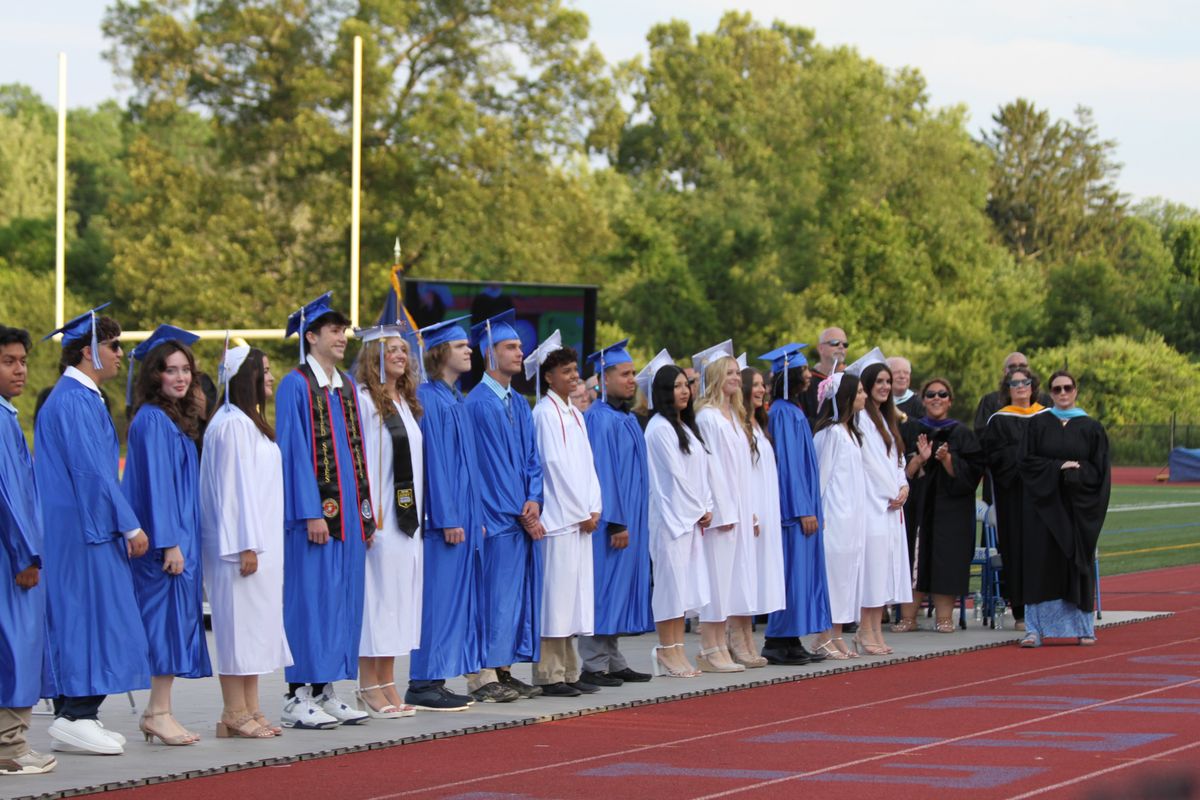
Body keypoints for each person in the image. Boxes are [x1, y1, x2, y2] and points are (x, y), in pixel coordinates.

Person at [36, 305, 151, 755]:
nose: (121, 353)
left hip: (85, 526)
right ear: (89, 352)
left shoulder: (80, 397)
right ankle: (75, 714)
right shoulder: (71, 400)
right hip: (85, 529)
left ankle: (81, 712)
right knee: (93, 620)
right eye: (113, 345)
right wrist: (129, 525)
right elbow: (92, 474)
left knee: (92, 618)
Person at [276, 293, 373, 728]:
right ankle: (297, 695)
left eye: (343, 330)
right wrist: (311, 510)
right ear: (310, 336)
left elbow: (357, 452)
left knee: (341, 600)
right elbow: (294, 453)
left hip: (349, 517)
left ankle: (326, 689)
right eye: (333, 330)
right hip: (315, 517)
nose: (341, 337)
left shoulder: (346, 386)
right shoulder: (295, 384)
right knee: (311, 601)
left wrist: (366, 512)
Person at [122, 326, 213, 745]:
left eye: (186, 370)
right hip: (167, 546)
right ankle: (157, 712)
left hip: (179, 540)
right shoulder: (154, 421)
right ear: (153, 375)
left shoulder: (169, 419)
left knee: (175, 624)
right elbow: (157, 486)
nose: (180, 378)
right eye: (170, 370)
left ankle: (161, 711)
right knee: (164, 625)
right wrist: (171, 542)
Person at [200, 345, 292, 739]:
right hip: (241, 547)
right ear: (246, 377)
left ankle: (251, 706)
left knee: (256, 627)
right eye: (264, 370)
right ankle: (232, 711)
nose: (270, 377)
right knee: (238, 627)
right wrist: (246, 544)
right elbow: (232, 491)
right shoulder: (231, 424)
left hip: (262, 543)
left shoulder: (249, 422)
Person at [405, 316, 485, 712]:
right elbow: (435, 463)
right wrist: (449, 516)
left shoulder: (454, 398)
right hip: (443, 524)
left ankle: (436, 677)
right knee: (436, 602)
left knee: (453, 601)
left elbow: (469, 465)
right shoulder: (429, 398)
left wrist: (475, 513)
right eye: (459, 346)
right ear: (439, 353)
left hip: (463, 518)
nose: (468, 350)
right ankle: (422, 682)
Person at [465, 311, 545, 702]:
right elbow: (491, 471)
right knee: (492, 599)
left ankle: (504, 669)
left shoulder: (520, 402)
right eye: (511, 347)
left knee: (513, 600)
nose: (520, 352)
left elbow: (533, 460)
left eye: (519, 346)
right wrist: (521, 511)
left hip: (518, 517)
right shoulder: (480, 404)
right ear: (489, 353)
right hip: (496, 520)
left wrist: (534, 499)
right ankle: (482, 676)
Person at [353, 325, 424, 718]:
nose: (401, 355)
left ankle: (389, 682)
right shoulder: (366, 401)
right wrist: (366, 514)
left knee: (398, 602)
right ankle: (369, 684)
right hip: (380, 519)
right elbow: (360, 463)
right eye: (392, 349)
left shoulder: (404, 403)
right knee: (377, 602)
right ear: (374, 356)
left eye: (403, 350)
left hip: (407, 520)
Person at [527, 334, 603, 697]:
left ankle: (571, 669)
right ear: (548, 376)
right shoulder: (543, 414)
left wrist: (594, 505)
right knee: (556, 597)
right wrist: (578, 511)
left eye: (575, 370)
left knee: (573, 596)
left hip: (579, 519)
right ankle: (549, 672)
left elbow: (587, 465)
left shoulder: (574, 412)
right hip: (559, 519)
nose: (574, 376)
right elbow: (553, 467)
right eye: (566, 371)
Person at [580, 340, 655, 687]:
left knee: (619, 588)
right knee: (604, 588)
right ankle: (594, 663)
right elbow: (603, 473)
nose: (631, 380)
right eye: (624, 374)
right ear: (603, 378)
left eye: (633, 374)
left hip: (630, 518)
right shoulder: (597, 419)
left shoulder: (623, 417)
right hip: (611, 523)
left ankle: (612, 658)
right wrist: (618, 520)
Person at [1017, 371, 1109, 648]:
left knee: (1076, 564)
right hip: (1043, 510)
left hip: (1076, 508)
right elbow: (1026, 463)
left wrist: (1077, 474)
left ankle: (1083, 628)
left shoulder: (1092, 428)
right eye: (1057, 389)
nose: (1063, 393)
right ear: (1050, 393)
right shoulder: (1037, 424)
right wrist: (1058, 467)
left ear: (1076, 390)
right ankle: (1034, 630)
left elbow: (1100, 471)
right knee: (1039, 564)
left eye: (1067, 388)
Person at [0, 324, 55, 775]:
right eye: (9, 362)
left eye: (23, 361)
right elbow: (7, 496)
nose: (20, 370)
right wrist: (26, 556)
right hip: (9, 558)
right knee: (14, 644)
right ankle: (9, 747)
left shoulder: (7, 414)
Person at [758, 344, 831, 665]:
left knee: (802, 576)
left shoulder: (792, 411)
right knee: (791, 575)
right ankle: (777, 639)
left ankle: (791, 638)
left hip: (802, 508)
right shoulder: (782, 413)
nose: (807, 376)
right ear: (790, 377)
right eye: (802, 371)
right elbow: (787, 465)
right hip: (792, 512)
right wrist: (803, 508)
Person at [643, 357, 712, 678]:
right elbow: (673, 478)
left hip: (691, 517)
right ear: (663, 392)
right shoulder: (659, 428)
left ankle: (678, 649)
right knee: (669, 586)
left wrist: (706, 504)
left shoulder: (685, 426)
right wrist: (699, 509)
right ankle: (666, 650)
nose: (684, 391)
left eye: (686, 385)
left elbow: (701, 472)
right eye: (676, 387)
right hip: (671, 518)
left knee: (683, 586)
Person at [898, 378, 985, 634]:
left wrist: (948, 460)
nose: (937, 398)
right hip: (916, 504)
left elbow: (972, 475)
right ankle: (908, 617)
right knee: (913, 557)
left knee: (946, 558)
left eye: (943, 394)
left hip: (952, 508)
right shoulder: (910, 430)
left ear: (950, 400)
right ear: (922, 399)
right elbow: (896, 470)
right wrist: (919, 461)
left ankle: (944, 618)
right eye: (931, 394)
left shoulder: (962, 433)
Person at [692, 342, 756, 672]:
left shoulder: (734, 416)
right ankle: (709, 646)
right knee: (715, 580)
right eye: (729, 373)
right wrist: (722, 510)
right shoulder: (708, 417)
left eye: (737, 373)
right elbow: (712, 469)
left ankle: (720, 645)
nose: (735, 378)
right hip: (721, 513)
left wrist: (749, 508)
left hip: (738, 509)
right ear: (716, 377)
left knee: (729, 579)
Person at [979, 366, 1046, 630]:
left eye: (1025, 382)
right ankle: (1020, 611)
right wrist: (1027, 463)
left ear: (1032, 386)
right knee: (1017, 551)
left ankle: (1045, 608)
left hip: (1042, 498)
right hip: (1014, 498)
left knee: (1042, 552)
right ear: (1007, 389)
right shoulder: (999, 420)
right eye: (1014, 383)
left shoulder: (1047, 417)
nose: (1020, 386)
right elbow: (995, 459)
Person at [856, 358, 913, 655]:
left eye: (888, 382)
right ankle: (866, 630)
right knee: (873, 569)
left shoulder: (887, 420)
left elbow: (897, 461)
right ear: (865, 386)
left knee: (885, 568)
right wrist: (893, 490)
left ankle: (876, 629)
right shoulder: (861, 420)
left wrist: (904, 485)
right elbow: (871, 464)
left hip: (892, 504)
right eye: (878, 382)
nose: (885, 387)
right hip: (873, 504)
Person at [811, 371, 868, 659]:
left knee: (846, 575)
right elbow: (820, 478)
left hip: (851, 516)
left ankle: (836, 633)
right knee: (832, 576)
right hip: (833, 515)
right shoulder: (830, 433)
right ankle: (822, 635)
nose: (865, 396)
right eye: (859, 392)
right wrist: (818, 515)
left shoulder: (851, 432)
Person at [740, 365, 786, 651]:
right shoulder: (739, 425)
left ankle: (746, 639)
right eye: (755, 385)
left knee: (758, 574)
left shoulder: (759, 423)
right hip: (752, 506)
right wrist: (751, 508)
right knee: (745, 573)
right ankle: (737, 638)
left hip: (766, 507)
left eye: (763, 385)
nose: (761, 390)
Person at [972, 352, 1052, 435]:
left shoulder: (1044, 401)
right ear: (1004, 371)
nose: (1018, 370)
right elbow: (982, 435)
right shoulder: (990, 401)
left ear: (1029, 370)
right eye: (1012, 367)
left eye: (1022, 366)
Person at [801, 327, 848, 421]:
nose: (841, 347)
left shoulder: (850, 378)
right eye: (835, 343)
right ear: (820, 348)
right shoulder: (807, 381)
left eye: (845, 344)